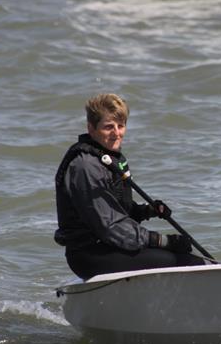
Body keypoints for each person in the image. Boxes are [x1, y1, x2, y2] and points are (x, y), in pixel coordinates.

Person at [54, 93, 205, 280]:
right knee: (188, 263)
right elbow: (109, 225)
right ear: (91, 129)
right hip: (91, 254)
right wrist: (161, 241)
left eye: (121, 126)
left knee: (189, 259)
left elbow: (117, 211)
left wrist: (146, 211)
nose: (116, 133)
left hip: (110, 244)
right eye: (108, 127)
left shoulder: (107, 158)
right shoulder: (86, 167)